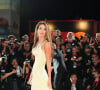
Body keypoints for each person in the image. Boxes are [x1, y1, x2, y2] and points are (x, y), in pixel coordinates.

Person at [28, 21, 53, 90]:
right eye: (40, 28)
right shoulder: (36, 43)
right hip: (35, 74)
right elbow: (36, 61)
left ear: (46, 32)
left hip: (41, 74)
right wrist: (31, 74)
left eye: (44, 29)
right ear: (37, 30)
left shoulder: (46, 43)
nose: (42, 31)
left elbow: (48, 61)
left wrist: (49, 79)